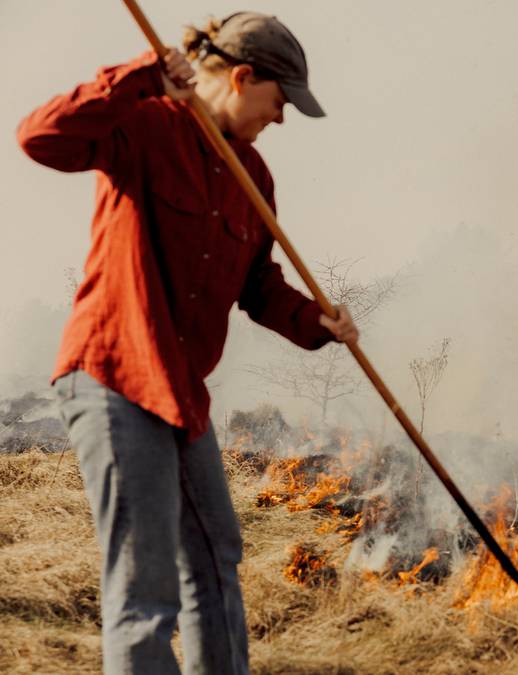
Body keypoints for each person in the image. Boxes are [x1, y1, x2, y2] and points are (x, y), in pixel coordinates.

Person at [17, 12, 357, 674]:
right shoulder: (144, 123)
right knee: (146, 589)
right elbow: (40, 137)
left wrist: (317, 322)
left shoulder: (254, 175)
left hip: (180, 390)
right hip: (113, 375)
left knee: (217, 561)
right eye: (279, 101)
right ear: (243, 76)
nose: (282, 119)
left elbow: (258, 285)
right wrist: (141, 76)